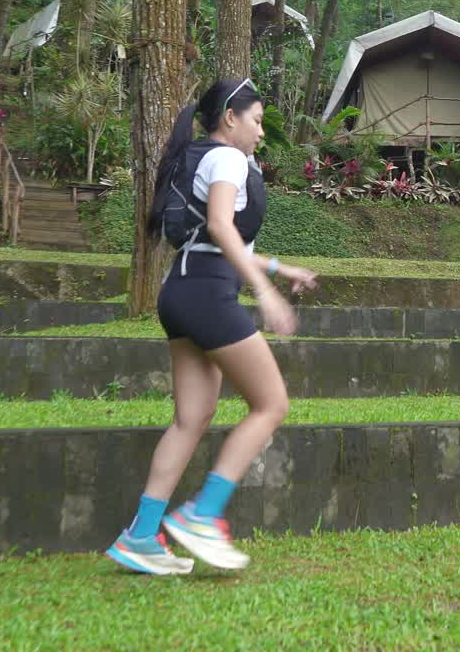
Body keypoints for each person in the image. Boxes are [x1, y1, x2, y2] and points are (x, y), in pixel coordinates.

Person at [106, 78, 318, 574]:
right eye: (258, 120)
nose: (261, 132)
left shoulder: (204, 156)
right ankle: (202, 515)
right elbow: (222, 226)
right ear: (230, 118)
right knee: (271, 404)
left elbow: (213, 234)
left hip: (180, 290)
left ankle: (140, 535)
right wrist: (264, 295)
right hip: (206, 292)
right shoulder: (228, 159)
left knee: (191, 418)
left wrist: (276, 270)